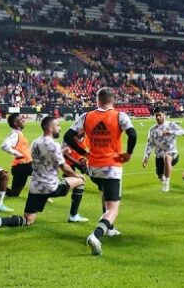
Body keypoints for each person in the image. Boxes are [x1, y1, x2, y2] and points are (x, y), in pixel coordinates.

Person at [63, 87, 137, 256]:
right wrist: (129, 153)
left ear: (98, 100)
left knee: (105, 193)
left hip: (93, 168)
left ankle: (110, 229)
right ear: (113, 100)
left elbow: (68, 136)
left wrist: (83, 153)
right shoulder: (120, 116)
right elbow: (132, 134)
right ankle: (96, 235)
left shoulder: (86, 116)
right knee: (113, 208)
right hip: (111, 166)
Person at [0, 117, 87, 232]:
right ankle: (73, 215)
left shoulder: (35, 142)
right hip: (51, 187)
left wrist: (62, 151)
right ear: (50, 128)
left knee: (28, 219)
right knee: (81, 181)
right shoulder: (53, 145)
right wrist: (76, 175)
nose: (60, 128)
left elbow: (46, 154)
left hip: (35, 187)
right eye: (58, 125)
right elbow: (64, 168)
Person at [143, 107, 184, 192]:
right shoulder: (152, 130)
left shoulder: (171, 125)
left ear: (164, 115)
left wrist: (171, 132)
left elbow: (183, 132)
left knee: (167, 157)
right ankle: (163, 179)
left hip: (172, 153)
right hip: (159, 156)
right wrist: (146, 157)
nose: (158, 117)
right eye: (156, 116)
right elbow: (150, 144)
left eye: (159, 115)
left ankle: (166, 184)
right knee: (159, 175)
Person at [0, 113, 33, 197]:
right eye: (20, 119)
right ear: (15, 123)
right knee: (43, 172)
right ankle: (43, 194)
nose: (23, 120)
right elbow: (4, 146)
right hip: (24, 165)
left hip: (20, 167)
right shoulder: (15, 135)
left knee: (14, 194)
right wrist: (18, 154)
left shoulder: (19, 134)